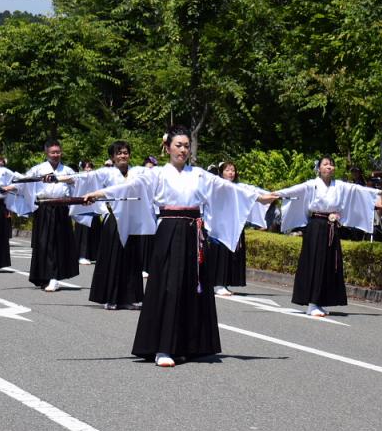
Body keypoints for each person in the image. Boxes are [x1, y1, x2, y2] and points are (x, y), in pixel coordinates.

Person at [82, 126, 271, 367]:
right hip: (169, 231)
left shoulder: (199, 174)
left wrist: (259, 196)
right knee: (168, 286)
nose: (183, 149)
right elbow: (128, 187)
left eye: (186, 145)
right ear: (168, 147)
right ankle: (163, 346)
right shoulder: (157, 174)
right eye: (178, 145)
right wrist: (99, 193)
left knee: (193, 287)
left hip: (194, 232)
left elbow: (229, 188)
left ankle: (189, 346)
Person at [267, 156, 382, 316]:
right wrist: (275, 194)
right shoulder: (312, 184)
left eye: (332, 164)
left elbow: (359, 190)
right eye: (325, 164)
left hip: (331, 227)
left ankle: (321, 301)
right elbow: (294, 190)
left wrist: (379, 192)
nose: (329, 167)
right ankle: (312, 302)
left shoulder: (340, 186)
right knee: (316, 263)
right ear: (319, 168)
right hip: (316, 226)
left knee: (330, 264)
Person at [67, 141, 153, 309]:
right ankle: (110, 297)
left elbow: (157, 173)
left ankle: (129, 298)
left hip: (132, 221)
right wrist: (55, 179)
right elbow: (83, 177)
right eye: (119, 153)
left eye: (125, 152)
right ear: (113, 157)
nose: (123, 155)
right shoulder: (107, 173)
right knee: (112, 258)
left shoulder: (137, 171)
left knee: (131, 259)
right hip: (114, 218)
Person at [15, 139, 78, 291]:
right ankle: (44, 275)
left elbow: (78, 184)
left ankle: (55, 277)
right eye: (52, 152)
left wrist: (69, 181)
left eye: (58, 152)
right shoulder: (38, 169)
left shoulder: (68, 170)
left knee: (59, 243)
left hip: (61, 208)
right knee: (43, 243)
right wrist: (9, 187)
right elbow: (24, 182)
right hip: (44, 208)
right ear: (46, 153)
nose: (56, 155)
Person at [206, 161, 251, 297]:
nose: (231, 173)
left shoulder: (238, 187)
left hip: (233, 225)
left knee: (230, 256)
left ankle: (224, 283)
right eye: (227, 170)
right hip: (220, 226)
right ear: (221, 172)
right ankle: (218, 283)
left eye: (233, 170)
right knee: (220, 254)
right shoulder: (218, 186)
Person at [73, 160, 103, 265]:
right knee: (83, 232)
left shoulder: (96, 179)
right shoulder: (79, 177)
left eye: (90, 167)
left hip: (94, 208)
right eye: (86, 167)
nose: (88, 169)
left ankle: (93, 255)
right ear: (82, 168)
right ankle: (81, 255)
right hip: (82, 209)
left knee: (95, 231)